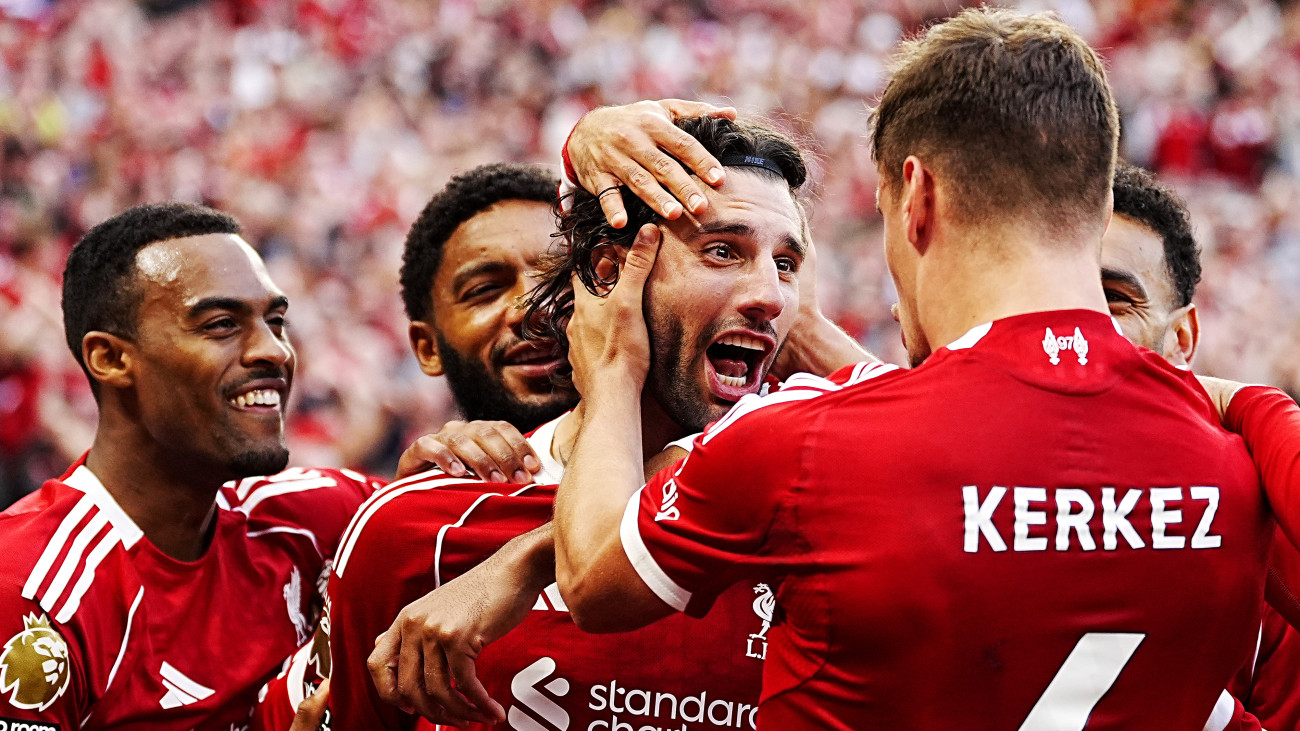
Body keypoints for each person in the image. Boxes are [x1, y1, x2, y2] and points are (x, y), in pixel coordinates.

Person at [552, 9, 1275, 729]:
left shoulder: (802, 444)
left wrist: (613, 363)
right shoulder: (1243, 466)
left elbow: (591, 580)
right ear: (1098, 203)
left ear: (918, 195)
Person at [328, 115, 868, 729]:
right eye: (723, 251)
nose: (771, 297)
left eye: (787, 265)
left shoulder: (826, 517)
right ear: (610, 274)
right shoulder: (414, 529)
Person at [0, 202, 380, 728]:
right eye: (222, 325)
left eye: (276, 322)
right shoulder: (26, 591)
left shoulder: (316, 518)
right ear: (110, 359)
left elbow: (476, 523)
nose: (275, 351)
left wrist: (461, 458)